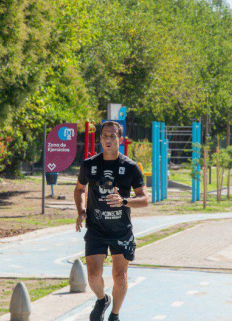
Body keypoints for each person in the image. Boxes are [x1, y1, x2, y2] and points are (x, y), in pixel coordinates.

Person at [74, 121, 149, 321]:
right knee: (92, 276)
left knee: (120, 277)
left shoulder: (130, 167)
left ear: (120, 139)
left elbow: (145, 199)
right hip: (96, 229)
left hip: (121, 231)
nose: (108, 139)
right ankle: (102, 299)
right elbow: (80, 189)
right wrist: (81, 210)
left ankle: (114, 315)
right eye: (105, 136)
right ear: (100, 139)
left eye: (112, 136)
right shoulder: (89, 165)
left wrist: (125, 201)